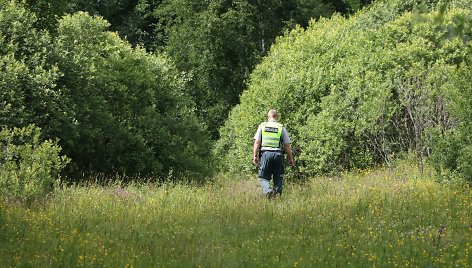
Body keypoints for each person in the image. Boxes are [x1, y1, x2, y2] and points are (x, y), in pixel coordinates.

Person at [253, 109, 295, 198]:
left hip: (265, 154)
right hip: (278, 155)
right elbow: (287, 145)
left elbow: (257, 142)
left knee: (263, 177)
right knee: (278, 177)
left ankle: (268, 191)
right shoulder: (281, 127)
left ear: (268, 117)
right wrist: (290, 158)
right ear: (277, 116)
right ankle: (277, 195)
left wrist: (255, 156)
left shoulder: (262, 126)